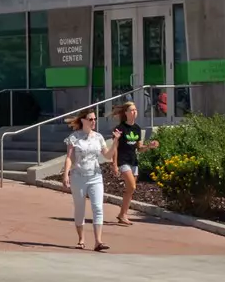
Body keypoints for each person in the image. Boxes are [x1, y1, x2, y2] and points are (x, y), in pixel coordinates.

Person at [64, 108, 110, 251]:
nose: (93, 121)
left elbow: (108, 156)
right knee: (80, 208)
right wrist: (66, 174)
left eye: (95, 119)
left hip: (95, 176)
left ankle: (98, 241)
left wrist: (115, 141)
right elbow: (69, 158)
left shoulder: (99, 137)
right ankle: (81, 239)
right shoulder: (74, 137)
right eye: (91, 119)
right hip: (78, 176)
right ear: (83, 120)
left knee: (98, 207)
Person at [112, 100, 156, 224]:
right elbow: (114, 148)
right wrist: (114, 164)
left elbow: (139, 148)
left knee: (130, 190)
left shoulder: (137, 128)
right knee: (132, 186)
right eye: (131, 110)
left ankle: (122, 214)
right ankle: (123, 214)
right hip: (123, 160)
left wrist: (149, 146)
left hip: (133, 161)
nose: (134, 112)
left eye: (135, 110)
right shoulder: (119, 128)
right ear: (125, 113)